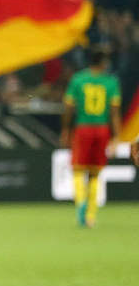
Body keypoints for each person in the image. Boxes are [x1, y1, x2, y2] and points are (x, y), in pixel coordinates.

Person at [60, 47, 120, 228]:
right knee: (95, 173)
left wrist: (65, 129)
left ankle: (81, 204)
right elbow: (114, 112)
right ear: (103, 63)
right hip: (102, 129)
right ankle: (91, 215)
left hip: (83, 129)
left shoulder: (78, 80)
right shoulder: (111, 82)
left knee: (78, 170)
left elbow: (69, 107)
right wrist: (116, 136)